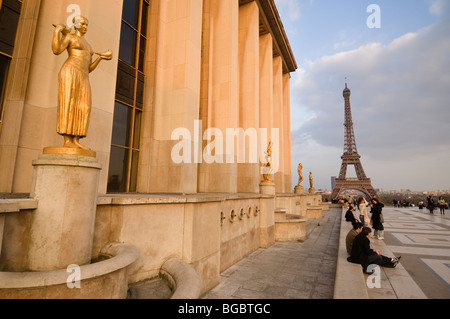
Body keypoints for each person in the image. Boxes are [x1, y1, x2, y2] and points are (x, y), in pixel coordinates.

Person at [52, 16, 112, 150]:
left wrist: (100, 58)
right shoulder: (70, 37)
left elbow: (89, 68)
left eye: (87, 25)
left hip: (84, 75)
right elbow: (56, 50)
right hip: (70, 71)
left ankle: (76, 138)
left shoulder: (88, 45)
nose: (85, 27)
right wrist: (57, 31)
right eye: (83, 24)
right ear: (76, 24)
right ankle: (67, 140)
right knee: (68, 104)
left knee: (84, 107)